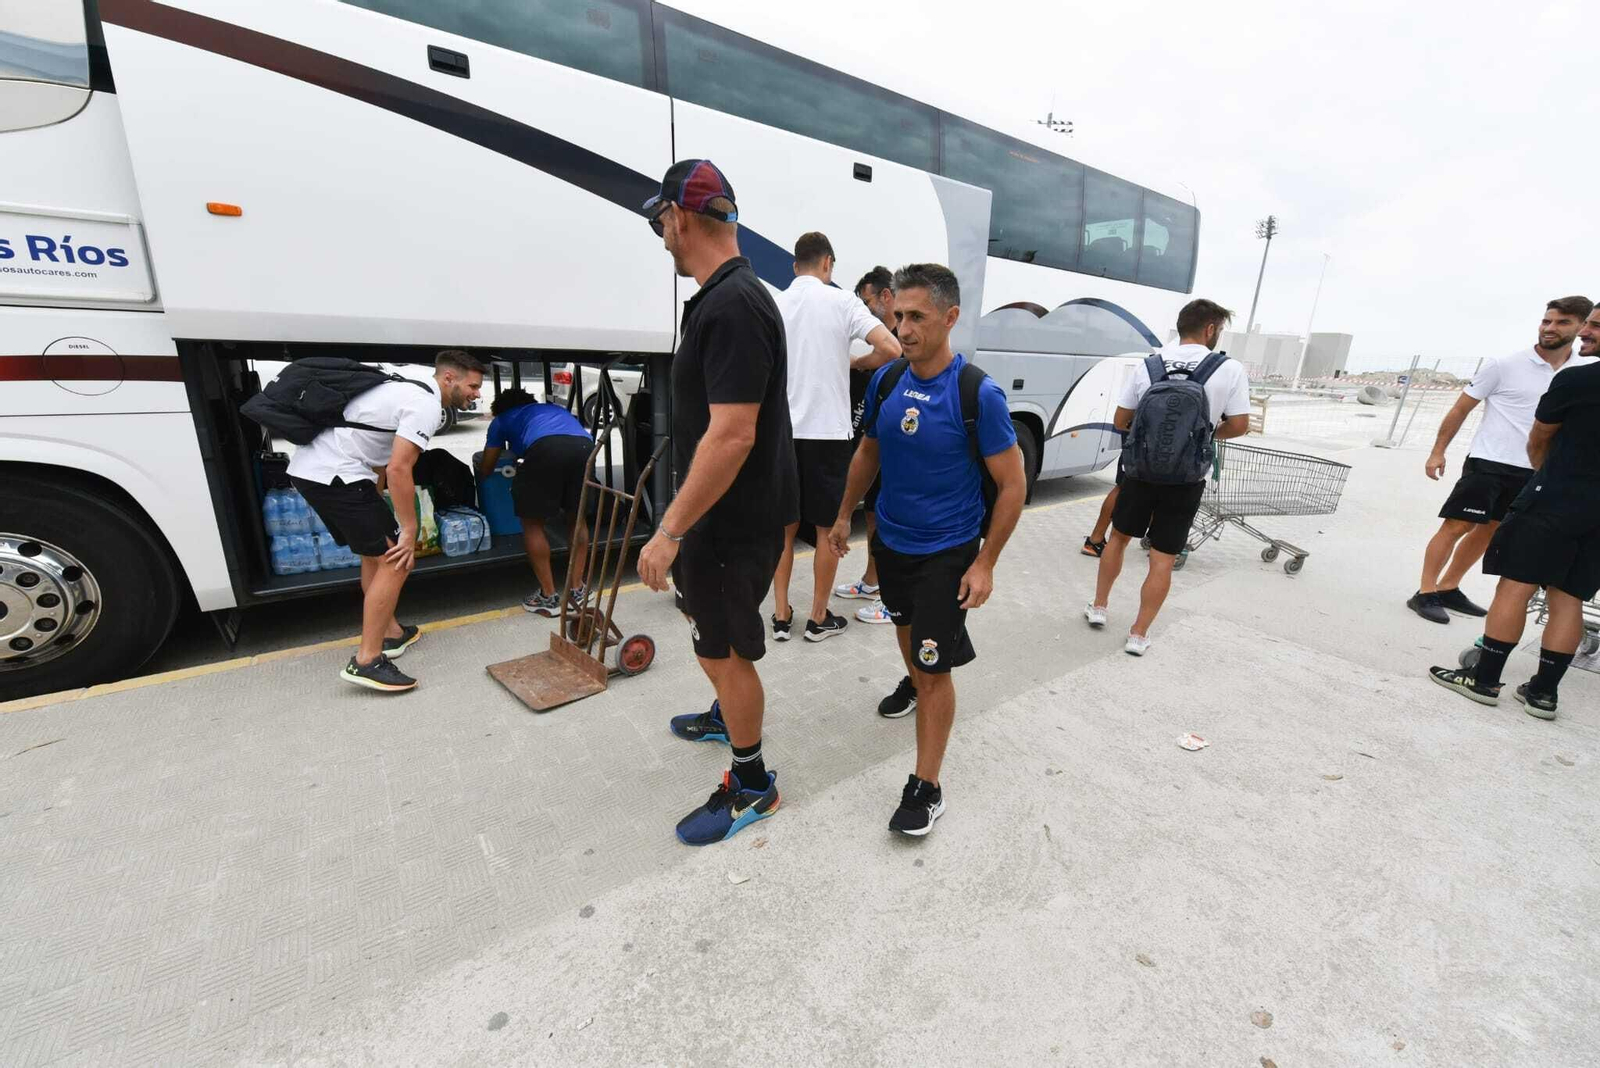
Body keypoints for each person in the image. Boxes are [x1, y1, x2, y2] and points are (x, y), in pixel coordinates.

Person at [634, 159, 800, 846]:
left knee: (727, 649)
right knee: (713, 639)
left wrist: (668, 530)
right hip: (728, 515)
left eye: (660, 223)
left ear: (681, 215)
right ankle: (724, 713)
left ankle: (752, 783)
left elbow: (732, 435)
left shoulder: (733, 302)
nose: (661, 237)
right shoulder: (727, 295)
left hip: (730, 521)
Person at [829, 263, 1026, 837]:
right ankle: (915, 677)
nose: (903, 327)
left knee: (935, 667)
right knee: (905, 629)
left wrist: (986, 562)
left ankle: (927, 786)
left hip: (949, 549)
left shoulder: (976, 394)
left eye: (916, 316)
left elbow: (1013, 485)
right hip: (891, 540)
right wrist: (845, 515)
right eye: (897, 316)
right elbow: (869, 453)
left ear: (950, 318)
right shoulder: (888, 380)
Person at [1430, 302, 1600, 719]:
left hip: (1554, 498)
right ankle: (1544, 694)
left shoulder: (1576, 380)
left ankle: (1483, 679)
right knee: (1568, 598)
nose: (1584, 332)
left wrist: (1549, 475)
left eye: (1594, 326)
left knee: (1516, 586)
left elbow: (1539, 439)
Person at [288, 349, 485, 692]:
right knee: (397, 560)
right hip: (337, 475)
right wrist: (408, 529)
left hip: (322, 471)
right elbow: (398, 468)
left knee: (377, 553)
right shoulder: (425, 404)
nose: (477, 393)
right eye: (473, 385)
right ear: (449, 378)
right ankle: (367, 660)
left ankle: (391, 633)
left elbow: (380, 455)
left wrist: (376, 499)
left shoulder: (409, 381)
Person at [1408, 296, 1594, 624]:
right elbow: (1460, 408)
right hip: (1489, 461)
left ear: (1581, 327)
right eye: (1547, 321)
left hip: (1535, 470)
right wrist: (1438, 451)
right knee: (1458, 525)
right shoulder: (1504, 365)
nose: (1550, 328)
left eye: (1562, 322)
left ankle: (1449, 586)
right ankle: (1424, 592)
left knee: (1490, 532)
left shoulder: (1582, 371)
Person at [1085, 299, 1251, 655]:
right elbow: (1239, 425)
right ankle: (1138, 634)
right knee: (1162, 557)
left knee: (1118, 540)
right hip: (1185, 479)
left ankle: (1099, 607)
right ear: (1210, 329)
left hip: (1141, 472)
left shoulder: (1150, 365)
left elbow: (1120, 421)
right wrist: (1202, 435)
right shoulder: (1229, 368)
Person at [771, 234, 901, 641]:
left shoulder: (776, 303)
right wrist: (859, 362)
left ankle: (779, 616)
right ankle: (817, 617)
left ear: (796, 266)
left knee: (784, 529)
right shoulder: (843, 301)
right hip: (828, 435)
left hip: (783, 431)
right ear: (828, 263)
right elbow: (892, 348)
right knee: (828, 528)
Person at [476, 388, 593, 616]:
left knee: (532, 523)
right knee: (576, 518)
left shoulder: (502, 419)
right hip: (585, 448)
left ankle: (548, 597)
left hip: (544, 450)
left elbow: (487, 467)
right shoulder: (553, 409)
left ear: (501, 407)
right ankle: (577, 590)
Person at [835, 267, 900, 624]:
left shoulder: (900, 336)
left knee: (891, 517)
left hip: (898, 446)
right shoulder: (887, 332)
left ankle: (893, 598)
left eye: (868, 300)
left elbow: (891, 357)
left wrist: (858, 362)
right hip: (878, 443)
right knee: (875, 513)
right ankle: (872, 582)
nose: (865, 307)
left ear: (886, 297)